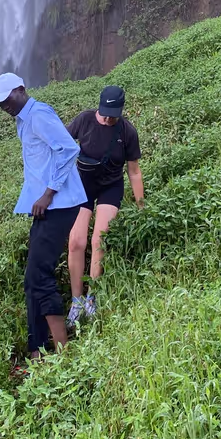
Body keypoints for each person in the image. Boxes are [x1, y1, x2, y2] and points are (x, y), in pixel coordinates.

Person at [0, 72, 87, 361]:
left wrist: (48, 193)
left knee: (39, 276)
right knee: (32, 278)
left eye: (7, 98)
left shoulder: (39, 113)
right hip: (46, 207)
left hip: (58, 204)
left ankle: (61, 351)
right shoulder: (23, 119)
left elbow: (68, 149)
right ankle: (38, 350)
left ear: (21, 90)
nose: (4, 105)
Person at [65, 85, 144, 327]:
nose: (108, 117)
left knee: (99, 239)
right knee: (76, 241)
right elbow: (62, 148)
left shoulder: (127, 131)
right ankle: (75, 301)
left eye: (113, 113)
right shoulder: (84, 120)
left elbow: (134, 172)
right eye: (105, 112)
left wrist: (142, 206)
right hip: (83, 186)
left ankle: (92, 296)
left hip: (111, 187)